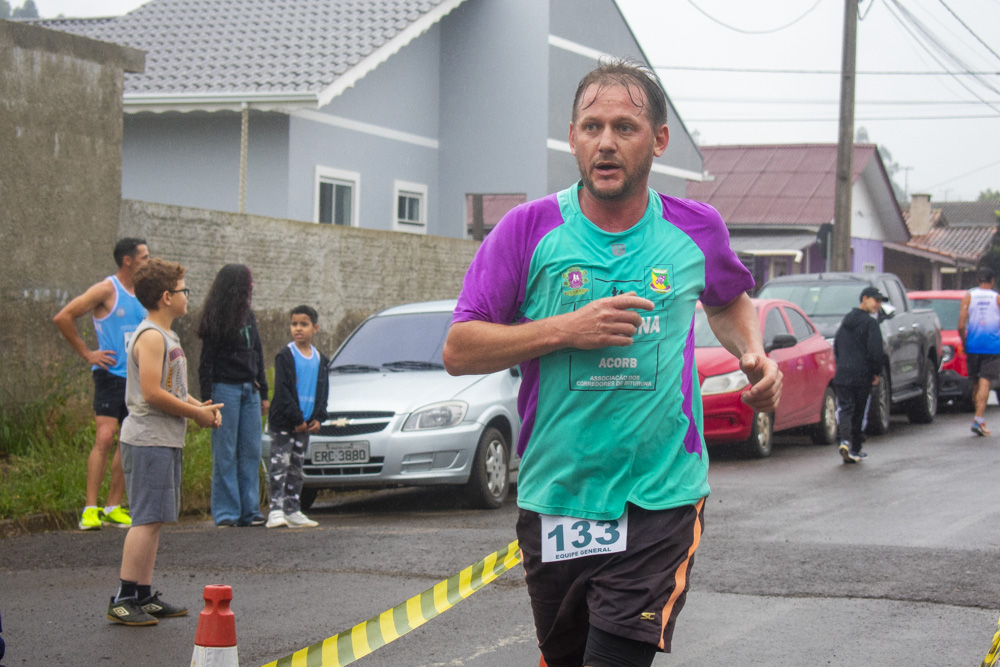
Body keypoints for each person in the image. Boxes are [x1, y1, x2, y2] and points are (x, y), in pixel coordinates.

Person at [442, 59, 781, 667]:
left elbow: (729, 299)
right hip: (557, 495)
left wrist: (752, 353)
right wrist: (568, 329)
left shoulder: (695, 229)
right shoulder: (528, 231)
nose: (605, 142)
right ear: (571, 137)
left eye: (624, 127)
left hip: (661, 497)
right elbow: (460, 348)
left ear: (658, 140)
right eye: (591, 126)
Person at [106, 258, 223, 626]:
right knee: (144, 519)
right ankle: (124, 597)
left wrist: (201, 407)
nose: (189, 296)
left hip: (165, 439)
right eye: (184, 290)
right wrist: (196, 416)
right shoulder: (152, 336)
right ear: (166, 296)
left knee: (154, 519)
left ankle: (143, 593)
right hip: (148, 439)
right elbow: (153, 393)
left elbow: (176, 390)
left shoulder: (167, 335)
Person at [53, 237, 151, 531]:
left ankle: (113, 506)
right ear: (128, 260)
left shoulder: (146, 293)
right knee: (105, 437)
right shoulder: (107, 289)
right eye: (144, 257)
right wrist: (87, 353)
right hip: (110, 375)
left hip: (136, 376)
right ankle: (90, 508)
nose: (149, 260)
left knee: (127, 439)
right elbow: (63, 316)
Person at [198, 264, 269, 527]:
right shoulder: (217, 317)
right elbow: (205, 363)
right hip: (224, 390)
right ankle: (227, 513)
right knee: (225, 453)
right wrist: (207, 402)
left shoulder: (249, 316)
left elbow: (258, 353)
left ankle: (250, 512)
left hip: (250, 391)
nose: (251, 286)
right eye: (248, 282)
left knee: (251, 451)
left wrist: (263, 390)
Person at [265, 305, 329, 528]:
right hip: (285, 423)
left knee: (296, 468)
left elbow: (323, 391)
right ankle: (275, 510)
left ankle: (293, 509)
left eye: (304, 324)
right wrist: (296, 419)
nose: (298, 329)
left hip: (306, 424)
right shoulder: (285, 355)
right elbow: (282, 391)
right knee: (279, 466)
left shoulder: (321, 360)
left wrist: (318, 417)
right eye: (294, 324)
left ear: (315, 328)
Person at [834, 286, 888, 463]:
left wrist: (841, 363)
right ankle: (855, 447)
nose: (878, 305)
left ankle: (844, 440)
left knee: (845, 408)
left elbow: (837, 344)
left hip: (843, 371)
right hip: (861, 373)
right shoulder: (870, 323)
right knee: (858, 410)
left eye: (880, 302)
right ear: (864, 298)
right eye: (876, 300)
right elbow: (875, 350)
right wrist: (876, 371)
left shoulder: (846, 321)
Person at [958, 267, 1000, 436]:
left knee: (976, 382)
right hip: (992, 347)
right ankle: (978, 419)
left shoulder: (969, 297)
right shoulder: (997, 298)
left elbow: (961, 325)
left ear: (977, 280)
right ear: (992, 281)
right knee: (985, 382)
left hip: (973, 345)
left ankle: (977, 417)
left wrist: (965, 341)